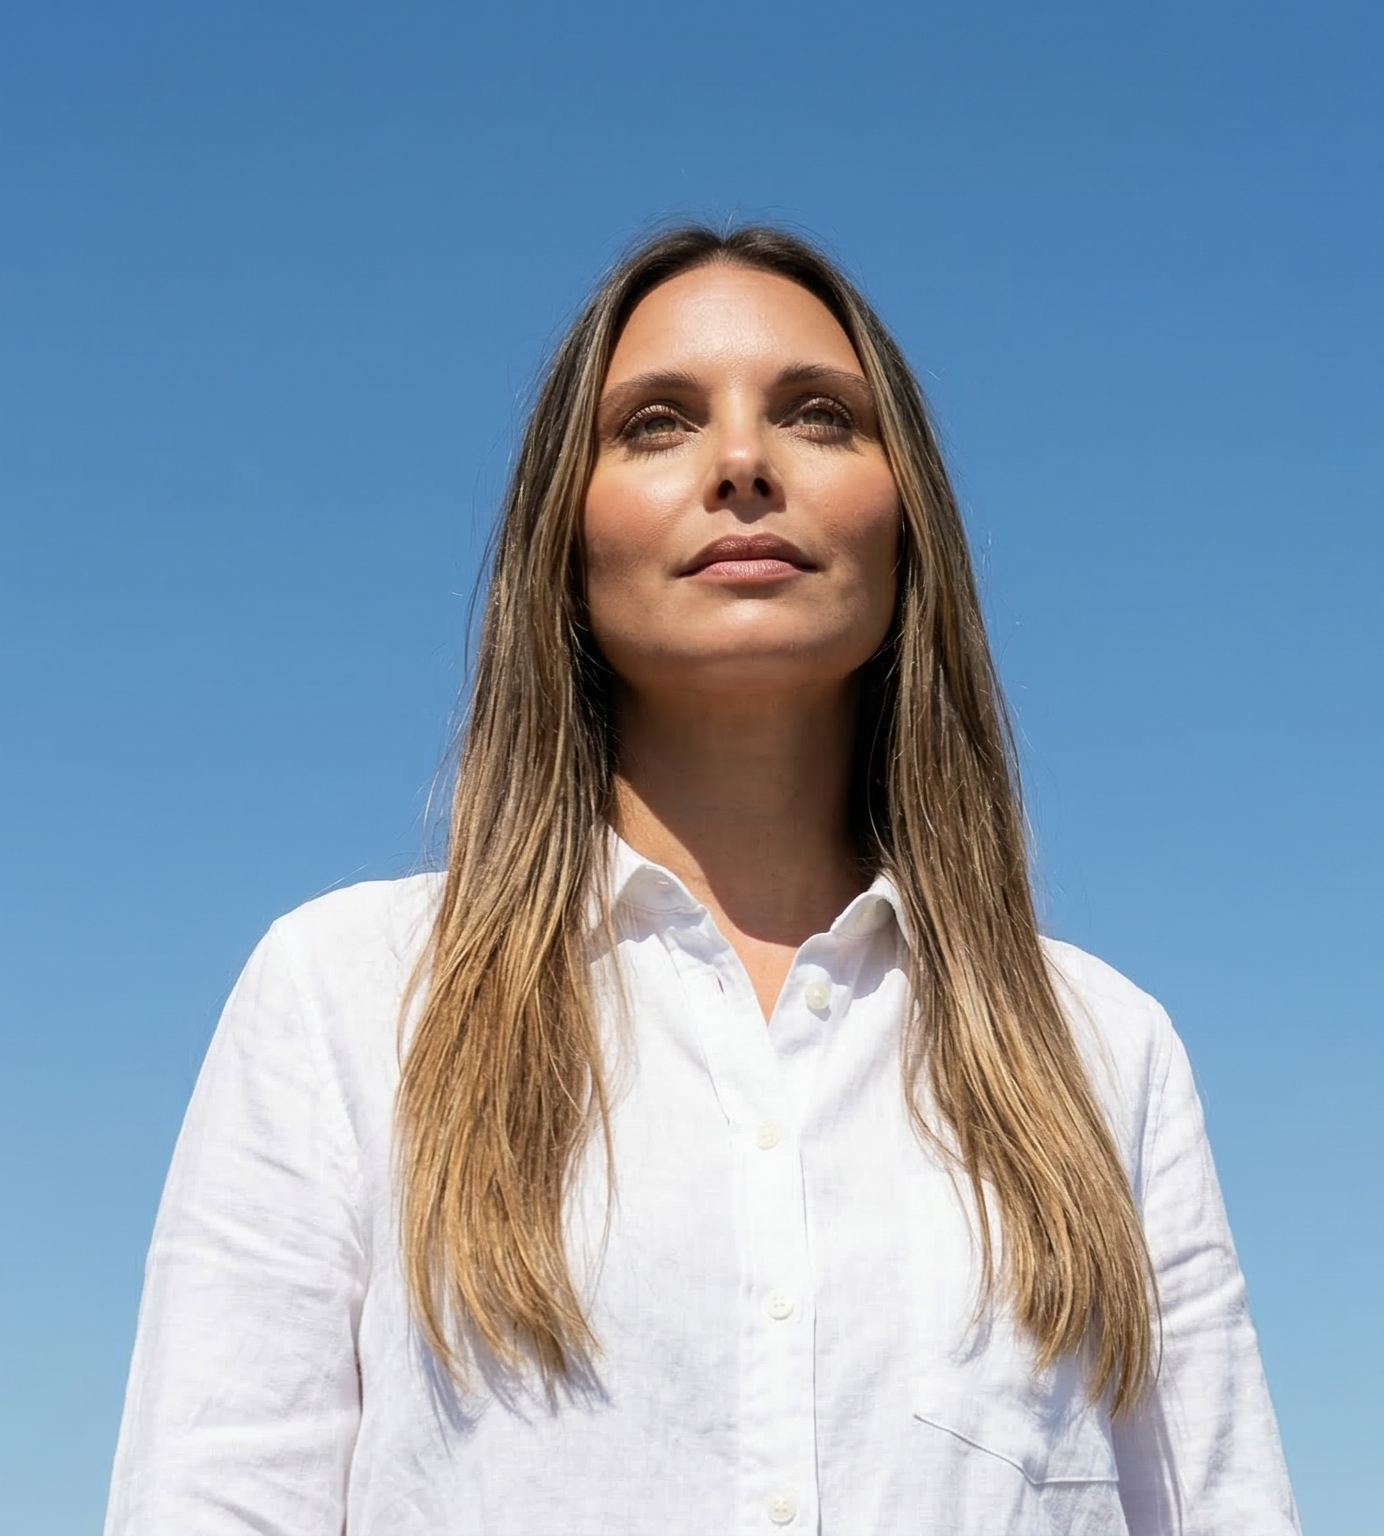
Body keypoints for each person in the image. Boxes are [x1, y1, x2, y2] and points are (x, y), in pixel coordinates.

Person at [104, 225, 1299, 1535]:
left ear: (907, 523)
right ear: (563, 533)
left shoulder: (1103, 1056)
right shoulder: (346, 999)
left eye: (819, 416)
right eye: (659, 423)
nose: (744, 463)